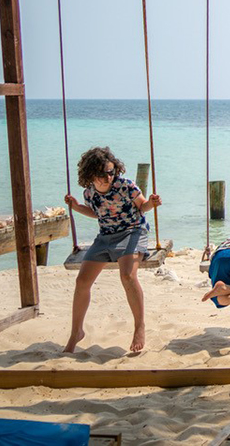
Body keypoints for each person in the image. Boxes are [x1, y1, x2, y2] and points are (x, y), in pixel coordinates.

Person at [62, 146, 162, 354]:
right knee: (82, 281)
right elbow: (96, 213)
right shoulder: (89, 193)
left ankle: (139, 327)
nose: (108, 177)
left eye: (111, 172)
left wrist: (151, 204)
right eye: (102, 174)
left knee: (127, 276)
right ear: (90, 174)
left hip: (132, 232)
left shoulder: (126, 186)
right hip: (105, 237)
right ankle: (76, 332)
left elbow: (141, 206)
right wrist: (77, 207)